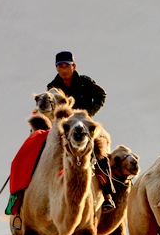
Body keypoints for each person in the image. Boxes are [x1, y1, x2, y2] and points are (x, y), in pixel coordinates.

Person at [46, 50, 115, 209]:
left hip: (84, 125)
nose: (64, 70)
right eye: (60, 66)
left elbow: (101, 95)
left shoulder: (84, 82)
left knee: (100, 152)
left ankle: (107, 194)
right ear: (56, 68)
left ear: (74, 66)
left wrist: (88, 113)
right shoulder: (53, 88)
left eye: (67, 66)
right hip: (64, 128)